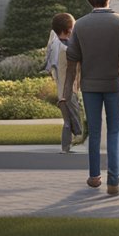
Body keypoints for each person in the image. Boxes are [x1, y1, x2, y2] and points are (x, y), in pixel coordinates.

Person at [61, 0, 119, 195]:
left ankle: (94, 177)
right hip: (112, 84)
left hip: (89, 86)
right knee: (114, 131)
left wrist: (67, 91)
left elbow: (72, 58)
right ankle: (114, 181)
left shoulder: (81, 25)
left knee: (94, 132)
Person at [45, 13, 82, 153]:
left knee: (67, 121)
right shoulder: (65, 49)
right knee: (73, 121)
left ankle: (66, 147)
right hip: (68, 92)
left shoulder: (54, 45)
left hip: (61, 91)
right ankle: (69, 145)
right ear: (69, 30)